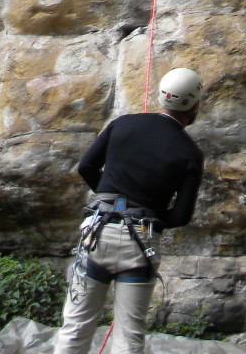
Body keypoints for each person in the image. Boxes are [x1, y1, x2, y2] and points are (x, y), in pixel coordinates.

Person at [52, 68, 205, 354]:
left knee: (75, 328)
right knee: (129, 336)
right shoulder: (190, 153)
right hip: (140, 241)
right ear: (195, 104)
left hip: (97, 234)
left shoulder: (122, 124)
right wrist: (153, 215)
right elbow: (181, 216)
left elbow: (86, 167)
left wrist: (110, 200)